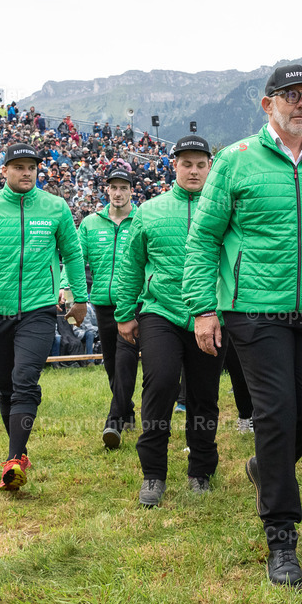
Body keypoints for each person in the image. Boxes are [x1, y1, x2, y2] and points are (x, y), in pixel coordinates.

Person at [183, 64, 302, 586]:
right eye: (291, 95)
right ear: (268, 105)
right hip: (253, 309)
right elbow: (204, 239)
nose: (301, 103)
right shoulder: (236, 160)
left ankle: (266, 466)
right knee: (277, 413)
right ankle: (281, 539)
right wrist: (203, 307)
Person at [0, 143, 88, 491]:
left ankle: (13, 459)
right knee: (4, 387)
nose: (26, 172)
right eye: (18, 167)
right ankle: (20, 453)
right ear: (4, 171)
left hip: (39, 310)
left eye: (31, 167)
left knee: (24, 380)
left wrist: (79, 298)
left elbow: (73, 254)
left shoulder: (55, 207)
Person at [114, 135, 226, 507]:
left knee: (204, 395)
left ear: (210, 167)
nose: (194, 171)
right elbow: (131, 265)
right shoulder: (150, 211)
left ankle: (200, 471)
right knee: (160, 384)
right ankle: (153, 474)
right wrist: (125, 314)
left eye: (201, 164)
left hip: (210, 316)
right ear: (173, 166)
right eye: (186, 164)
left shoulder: (225, 210)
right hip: (160, 311)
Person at [78, 167, 139, 448]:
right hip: (103, 302)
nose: (118, 193)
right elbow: (77, 259)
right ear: (107, 190)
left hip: (134, 303)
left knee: (126, 361)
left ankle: (114, 421)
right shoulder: (90, 223)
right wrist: (69, 289)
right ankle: (127, 410)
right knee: (112, 364)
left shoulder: (142, 220)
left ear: (131, 191)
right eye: (113, 187)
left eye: (123, 187)